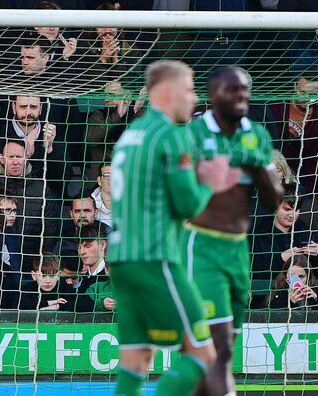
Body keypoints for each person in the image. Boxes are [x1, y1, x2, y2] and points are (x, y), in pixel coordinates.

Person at [107, 60, 239, 396]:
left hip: (120, 259)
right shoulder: (171, 135)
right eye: (189, 90)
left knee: (135, 361)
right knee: (203, 355)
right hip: (155, 257)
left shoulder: (130, 134)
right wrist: (210, 183)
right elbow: (188, 206)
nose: (194, 98)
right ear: (167, 92)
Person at [182, 67, 284, 394]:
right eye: (233, 90)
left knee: (222, 350)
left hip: (239, 249)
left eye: (245, 90)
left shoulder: (257, 135)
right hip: (202, 246)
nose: (241, 95)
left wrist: (257, 166)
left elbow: (274, 200)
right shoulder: (193, 135)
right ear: (213, 96)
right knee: (215, 344)